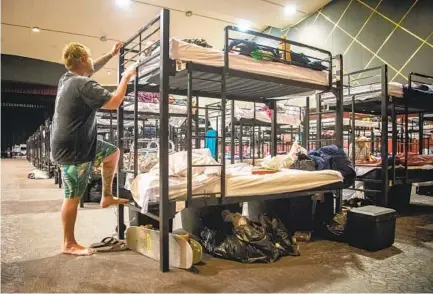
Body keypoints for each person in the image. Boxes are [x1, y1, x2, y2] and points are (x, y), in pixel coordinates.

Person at [51, 42, 136, 256]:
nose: (91, 61)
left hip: (80, 141)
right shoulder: (82, 84)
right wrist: (125, 78)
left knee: (112, 153)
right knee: (72, 196)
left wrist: (111, 54)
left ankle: (106, 196)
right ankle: (68, 243)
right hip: (74, 147)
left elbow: (92, 67)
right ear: (81, 59)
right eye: (89, 57)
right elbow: (114, 102)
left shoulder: (67, 78)